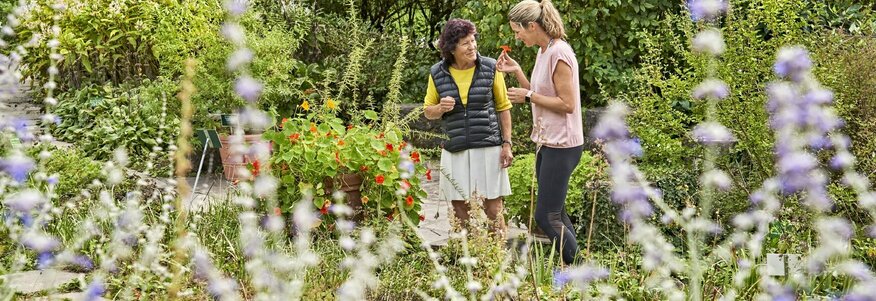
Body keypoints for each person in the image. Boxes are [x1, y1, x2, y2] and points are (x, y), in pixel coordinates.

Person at [497, 0, 584, 264]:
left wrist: (528, 95)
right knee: (557, 213)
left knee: (546, 217)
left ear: (532, 26)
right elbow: (541, 92)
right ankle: (578, 268)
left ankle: (580, 269)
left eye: (518, 31)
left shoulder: (559, 53)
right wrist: (519, 73)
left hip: (563, 145)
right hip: (547, 143)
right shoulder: (544, 50)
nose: (517, 36)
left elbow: (567, 104)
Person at [423, 18, 513, 234]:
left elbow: (503, 107)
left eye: (473, 41)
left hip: (488, 145)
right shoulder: (437, 73)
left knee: (493, 208)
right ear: (452, 48)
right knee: (459, 208)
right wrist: (441, 108)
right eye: (465, 43)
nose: (472, 46)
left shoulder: (491, 67)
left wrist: (507, 144)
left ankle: (498, 258)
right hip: (455, 148)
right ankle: (467, 258)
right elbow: (428, 111)